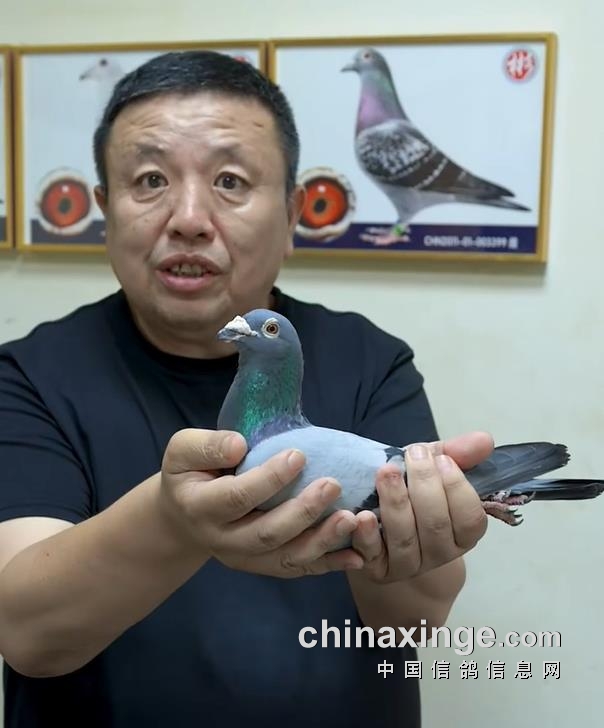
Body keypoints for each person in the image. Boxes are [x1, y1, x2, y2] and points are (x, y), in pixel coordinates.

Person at [0, 51, 491, 727]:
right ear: (105, 211)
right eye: (150, 180)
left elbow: (411, 626)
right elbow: (28, 633)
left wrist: (419, 543)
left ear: (292, 216)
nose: (189, 218)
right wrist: (173, 520)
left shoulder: (372, 362)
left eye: (230, 180)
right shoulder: (28, 374)